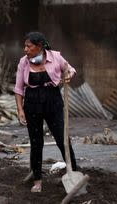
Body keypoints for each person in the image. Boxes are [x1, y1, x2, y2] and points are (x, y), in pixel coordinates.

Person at [14, 31, 78, 193]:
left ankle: (74, 173)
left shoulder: (55, 57)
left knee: (62, 139)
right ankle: (37, 180)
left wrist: (69, 74)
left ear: (39, 46)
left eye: (29, 46)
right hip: (32, 102)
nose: (25, 49)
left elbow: (70, 69)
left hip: (53, 101)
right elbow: (19, 88)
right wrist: (20, 110)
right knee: (36, 143)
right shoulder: (24, 62)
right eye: (25, 46)